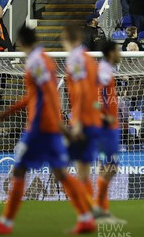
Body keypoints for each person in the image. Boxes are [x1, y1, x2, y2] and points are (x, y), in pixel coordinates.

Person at [0, 27, 94, 235]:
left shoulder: (35, 61)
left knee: (19, 171)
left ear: (22, 43)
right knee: (61, 173)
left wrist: (50, 123)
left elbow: (47, 94)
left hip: (39, 128)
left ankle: (5, 223)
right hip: (48, 126)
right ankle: (86, 216)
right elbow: (36, 95)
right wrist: (9, 112)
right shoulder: (44, 60)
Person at [61, 25, 102, 222]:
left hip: (83, 120)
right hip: (92, 119)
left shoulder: (76, 61)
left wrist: (76, 120)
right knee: (82, 167)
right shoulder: (88, 59)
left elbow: (81, 93)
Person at [92, 41, 125, 223]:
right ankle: (99, 208)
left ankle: (100, 209)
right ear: (112, 53)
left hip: (109, 127)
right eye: (118, 51)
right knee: (109, 166)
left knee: (109, 167)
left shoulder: (106, 70)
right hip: (106, 128)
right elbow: (94, 98)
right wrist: (105, 115)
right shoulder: (103, 71)